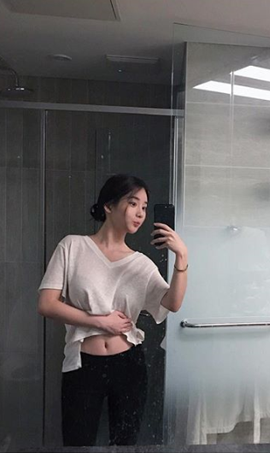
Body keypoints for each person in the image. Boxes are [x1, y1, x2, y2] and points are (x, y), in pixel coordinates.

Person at [37, 174, 188, 446]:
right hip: (83, 364)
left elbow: (172, 303)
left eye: (144, 207)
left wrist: (182, 257)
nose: (140, 213)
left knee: (125, 445)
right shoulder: (72, 246)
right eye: (133, 203)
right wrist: (100, 322)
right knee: (77, 444)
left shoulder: (141, 264)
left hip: (129, 365)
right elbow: (47, 304)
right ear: (108, 206)